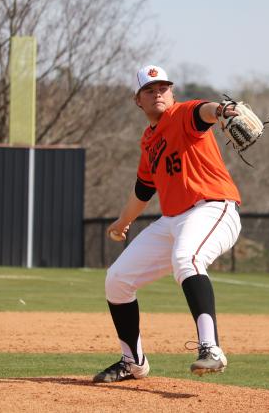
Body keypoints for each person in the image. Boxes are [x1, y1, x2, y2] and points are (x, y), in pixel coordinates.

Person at [93, 64, 242, 383]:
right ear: (138, 100)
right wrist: (122, 222)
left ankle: (211, 348)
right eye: (149, 89)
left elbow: (206, 111)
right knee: (117, 280)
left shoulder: (181, 114)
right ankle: (133, 362)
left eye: (163, 88)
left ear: (171, 94)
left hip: (213, 208)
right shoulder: (149, 141)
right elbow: (143, 190)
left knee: (187, 259)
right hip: (173, 219)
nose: (157, 93)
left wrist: (224, 108)